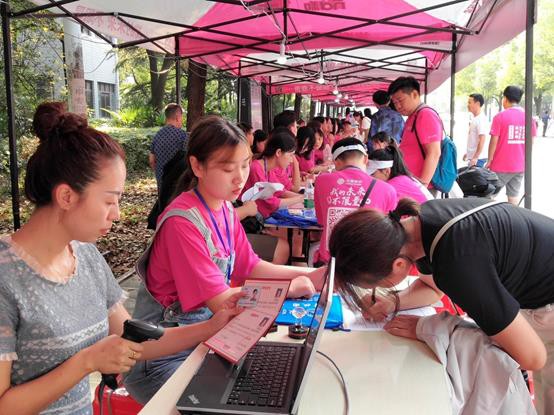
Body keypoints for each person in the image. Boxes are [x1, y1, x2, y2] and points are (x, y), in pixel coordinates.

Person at [0, 103, 240, 414]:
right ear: (66, 196)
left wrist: (212, 327)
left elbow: (131, 336)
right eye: (109, 201)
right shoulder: (7, 278)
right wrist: (86, 362)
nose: (116, 214)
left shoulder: (84, 255)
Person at [124, 116, 324, 403]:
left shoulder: (225, 209)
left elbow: (250, 265)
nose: (240, 177)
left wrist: (311, 276)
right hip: (160, 358)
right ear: (197, 166)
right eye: (228, 168)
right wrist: (289, 288)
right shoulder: (183, 223)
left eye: (245, 165)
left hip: (204, 338)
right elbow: (222, 302)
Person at [329, 198, 554, 415]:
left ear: (398, 264)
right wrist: (391, 303)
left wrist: (432, 329)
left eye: (378, 286)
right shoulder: (422, 225)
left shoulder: (457, 264)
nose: (380, 290)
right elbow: (433, 289)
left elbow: (533, 357)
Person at [313, 137, 397, 265]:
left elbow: (321, 220)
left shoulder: (321, 181)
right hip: (368, 264)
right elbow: (389, 234)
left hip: (331, 261)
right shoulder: (388, 190)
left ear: (336, 162)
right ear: (366, 159)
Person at [486, 85, 536, 205]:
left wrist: (489, 160)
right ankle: (514, 217)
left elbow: (493, 141)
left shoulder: (500, 117)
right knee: (513, 197)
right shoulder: (529, 118)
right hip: (519, 166)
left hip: (500, 165)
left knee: (489, 196)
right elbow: (531, 143)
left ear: (505, 98)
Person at [388, 77, 442, 187]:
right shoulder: (413, 116)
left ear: (415, 94)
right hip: (411, 181)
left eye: (400, 100)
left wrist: (423, 186)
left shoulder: (425, 114)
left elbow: (434, 153)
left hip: (421, 185)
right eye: (395, 103)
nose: (398, 106)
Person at [368, 145, 433, 204]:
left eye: (372, 174)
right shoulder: (404, 178)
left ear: (386, 171)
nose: (369, 178)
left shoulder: (391, 187)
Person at [149, 103, 188, 193]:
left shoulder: (157, 136)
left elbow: (151, 160)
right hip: (178, 183)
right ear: (178, 118)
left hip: (162, 183)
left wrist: (159, 172)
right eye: (182, 117)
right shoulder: (183, 136)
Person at [464, 93, 488, 167]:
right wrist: (468, 154)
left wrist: (475, 157)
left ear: (477, 104)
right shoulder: (475, 118)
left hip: (478, 160)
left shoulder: (481, 119)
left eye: (469, 102)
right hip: (474, 158)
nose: (467, 105)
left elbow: (482, 140)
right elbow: (474, 139)